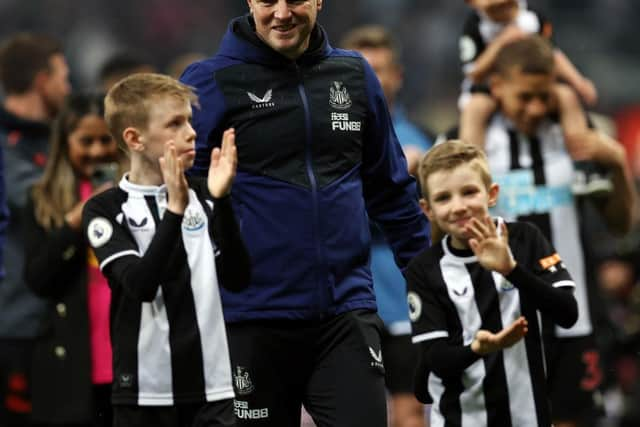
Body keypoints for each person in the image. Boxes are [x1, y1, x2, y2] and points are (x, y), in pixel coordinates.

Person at [179, 1, 431, 426]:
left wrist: (434, 284)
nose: (281, 13)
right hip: (249, 320)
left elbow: (392, 194)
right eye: (267, 1)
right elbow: (184, 201)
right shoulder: (208, 82)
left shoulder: (354, 75)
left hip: (344, 316)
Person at [479, 35, 635, 427]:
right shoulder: (470, 141)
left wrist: (616, 164)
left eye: (544, 96)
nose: (535, 108)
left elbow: (620, 223)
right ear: (497, 86)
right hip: (495, 322)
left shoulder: (576, 137)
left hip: (572, 320)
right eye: (524, 97)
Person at [82, 73, 250, 427]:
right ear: (135, 138)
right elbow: (140, 286)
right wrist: (174, 210)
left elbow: (238, 279)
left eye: (189, 120)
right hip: (144, 391)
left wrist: (222, 201)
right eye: (175, 123)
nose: (191, 132)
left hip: (213, 389)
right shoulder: (105, 209)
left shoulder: (205, 194)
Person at [407, 139, 579, 427]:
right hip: (459, 419)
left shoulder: (525, 239)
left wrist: (511, 270)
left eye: (469, 192)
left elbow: (568, 314)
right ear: (428, 209)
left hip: (529, 417)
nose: (459, 206)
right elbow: (436, 360)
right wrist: (478, 349)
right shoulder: (423, 270)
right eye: (444, 198)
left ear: (492, 193)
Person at [340, 25, 432, 427]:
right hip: (344, 296)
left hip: (400, 297)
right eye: (361, 69)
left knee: (410, 411)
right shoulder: (326, 140)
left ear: (397, 76)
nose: (371, 79)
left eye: (379, 69)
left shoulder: (420, 142)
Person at [23, 93, 118, 427]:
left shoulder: (137, 192)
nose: (96, 151)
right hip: (72, 361)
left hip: (131, 362)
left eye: (105, 140)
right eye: (85, 141)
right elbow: (37, 279)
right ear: (64, 143)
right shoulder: (42, 199)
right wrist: (72, 224)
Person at [458, 0, 610, 196]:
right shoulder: (475, 26)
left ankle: (585, 167)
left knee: (567, 96)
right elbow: (474, 72)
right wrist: (501, 42)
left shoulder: (532, 18)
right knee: (475, 108)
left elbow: (552, 54)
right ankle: (471, 179)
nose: (503, 12)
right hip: (489, 86)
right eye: (495, 8)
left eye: (508, 5)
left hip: (534, 79)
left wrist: (578, 81)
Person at [0, 32, 71, 427]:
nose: (68, 87)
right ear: (42, 81)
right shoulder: (5, 148)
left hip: (54, 322)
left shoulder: (57, 140)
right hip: (14, 324)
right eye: (64, 77)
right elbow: (38, 201)